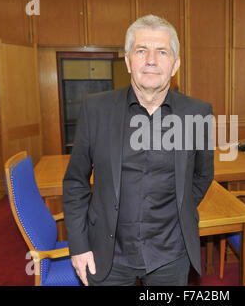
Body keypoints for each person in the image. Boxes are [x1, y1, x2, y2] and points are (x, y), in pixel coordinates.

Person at [62, 14, 214, 286]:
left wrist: (179, 210)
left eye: (162, 52)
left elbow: (203, 175)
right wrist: (79, 245)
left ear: (175, 64)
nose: (151, 60)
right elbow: (76, 182)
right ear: (128, 60)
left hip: (171, 254)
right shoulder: (95, 109)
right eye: (141, 50)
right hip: (107, 253)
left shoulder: (198, 113)